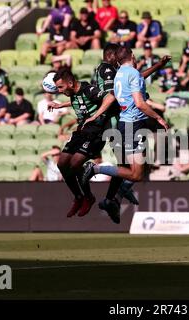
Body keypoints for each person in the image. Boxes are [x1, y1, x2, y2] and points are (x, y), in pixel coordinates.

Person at [81, 46, 169, 223]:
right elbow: (139, 102)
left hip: (126, 123)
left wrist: (158, 66)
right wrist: (159, 118)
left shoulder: (120, 73)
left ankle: (113, 199)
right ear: (133, 56)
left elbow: (129, 84)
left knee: (137, 169)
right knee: (136, 173)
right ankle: (96, 170)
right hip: (132, 124)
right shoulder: (126, 72)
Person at [48, 68, 117, 218]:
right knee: (62, 163)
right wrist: (61, 105)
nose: (59, 90)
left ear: (71, 83)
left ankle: (88, 196)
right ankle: (79, 197)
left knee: (75, 164)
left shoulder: (88, 89)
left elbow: (110, 97)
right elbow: (80, 101)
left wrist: (96, 116)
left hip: (96, 132)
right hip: (81, 131)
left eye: (61, 87)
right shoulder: (73, 92)